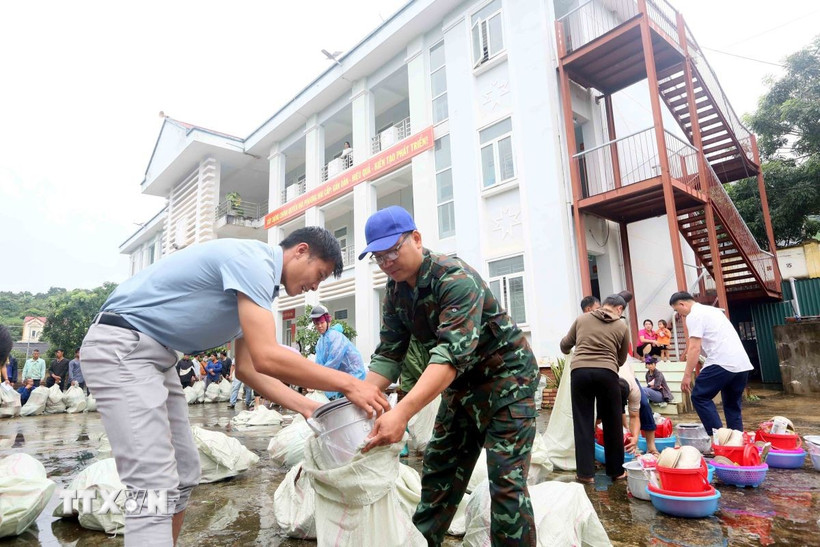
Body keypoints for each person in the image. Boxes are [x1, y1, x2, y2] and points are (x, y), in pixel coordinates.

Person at [79, 231, 389, 545]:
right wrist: (350, 384)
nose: (315, 286)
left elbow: (247, 369)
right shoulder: (253, 262)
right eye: (319, 274)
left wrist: (310, 408)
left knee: (185, 471)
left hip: (159, 357)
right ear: (300, 251)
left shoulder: (258, 289)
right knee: (152, 482)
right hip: (123, 346)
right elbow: (267, 356)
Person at [359, 206, 538, 546]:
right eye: (379, 257)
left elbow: (450, 356)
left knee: (506, 484)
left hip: (508, 382)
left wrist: (402, 412)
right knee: (440, 470)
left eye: (393, 251)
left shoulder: (453, 278)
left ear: (416, 239)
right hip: (461, 388)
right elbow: (389, 353)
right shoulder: (396, 292)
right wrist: (360, 398)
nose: (387, 262)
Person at [560, 293, 630, 483]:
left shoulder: (582, 319)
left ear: (603, 305)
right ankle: (616, 472)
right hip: (607, 373)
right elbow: (622, 359)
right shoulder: (622, 325)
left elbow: (565, 344)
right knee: (612, 421)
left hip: (580, 372)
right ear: (619, 309)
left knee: (583, 421)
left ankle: (585, 474)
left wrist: (567, 351)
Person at [669, 291, 752, 434]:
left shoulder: (694, 315)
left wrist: (687, 375)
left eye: (677, 310)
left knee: (699, 396)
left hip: (721, 361)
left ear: (682, 304)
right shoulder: (714, 311)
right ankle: (735, 442)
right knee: (732, 405)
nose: (680, 314)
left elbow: (694, 348)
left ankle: (719, 437)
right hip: (742, 364)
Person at [310, 304, 366, 400]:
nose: (319, 326)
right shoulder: (320, 342)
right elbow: (319, 364)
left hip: (354, 376)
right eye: (316, 323)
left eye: (321, 322)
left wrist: (319, 380)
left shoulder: (336, 336)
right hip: (342, 380)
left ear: (328, 321)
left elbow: (333, 361)